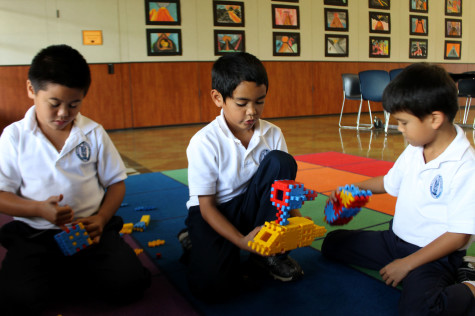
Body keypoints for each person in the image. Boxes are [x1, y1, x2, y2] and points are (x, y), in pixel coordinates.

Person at [0, 44, 151, 315]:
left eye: (74, 104)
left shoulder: (93, 133)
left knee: (129, 285)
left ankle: (71, 273)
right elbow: (2, 195)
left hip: (89, 231)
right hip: (35, 235)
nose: (63, 114)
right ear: (32, 90)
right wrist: (38, 209)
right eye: (54, 104)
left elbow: (116, 183)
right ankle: (65, 274)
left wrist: (102, 218)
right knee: (16, 299)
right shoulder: (14, 137)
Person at [321, 63, 475, 315]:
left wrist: (407, 264)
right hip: (394, 240)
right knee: (331, 245)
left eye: (404, 122)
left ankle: (470, 285)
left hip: (433, 255)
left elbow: (458, 236)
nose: (399, 129)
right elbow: (390, 182)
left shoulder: (466, 166)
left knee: (420, 310)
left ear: (435, 118)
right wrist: (350, 188)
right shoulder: (417, 146)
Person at [179, 52, 305, 301]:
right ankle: (195, 240)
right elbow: (206, 207)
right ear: (218, 98)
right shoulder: (204, 141)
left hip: (251, 207)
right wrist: (240, 241)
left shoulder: (273, 133)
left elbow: (283, 188)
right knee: (213, 290)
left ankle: (265, 257)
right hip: (214, 212)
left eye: (259, 102)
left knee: (281, 161)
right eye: (242, 103)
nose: (252, 112)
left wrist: (297, 221)